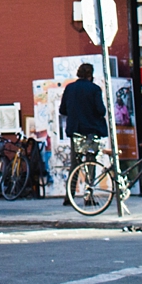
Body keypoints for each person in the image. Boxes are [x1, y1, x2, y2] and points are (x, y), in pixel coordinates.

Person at [59, 63, 111, 204]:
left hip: (75, 131)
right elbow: (101, 110)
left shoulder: (70, 88)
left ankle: (69, 196)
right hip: (91, 131)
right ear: (90, 75)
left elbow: (62, 110)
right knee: (90, 163)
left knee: (75, 164)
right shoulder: (94, 89)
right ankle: (88, 196)